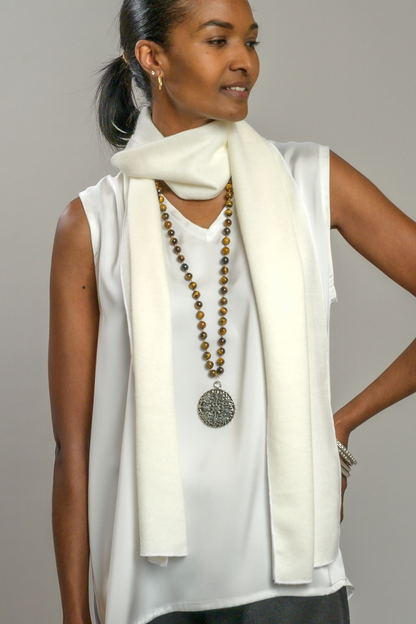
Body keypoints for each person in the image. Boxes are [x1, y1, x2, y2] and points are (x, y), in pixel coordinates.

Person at [48, 0, 416, 623]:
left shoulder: (310, 179)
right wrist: (74, 616)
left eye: (251, 41)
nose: (245, 61)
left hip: (292, 586)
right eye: (219, 41)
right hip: (152, 592)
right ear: (153, 58)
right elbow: (72, 450)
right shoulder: (93, 224)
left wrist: (340, 423)